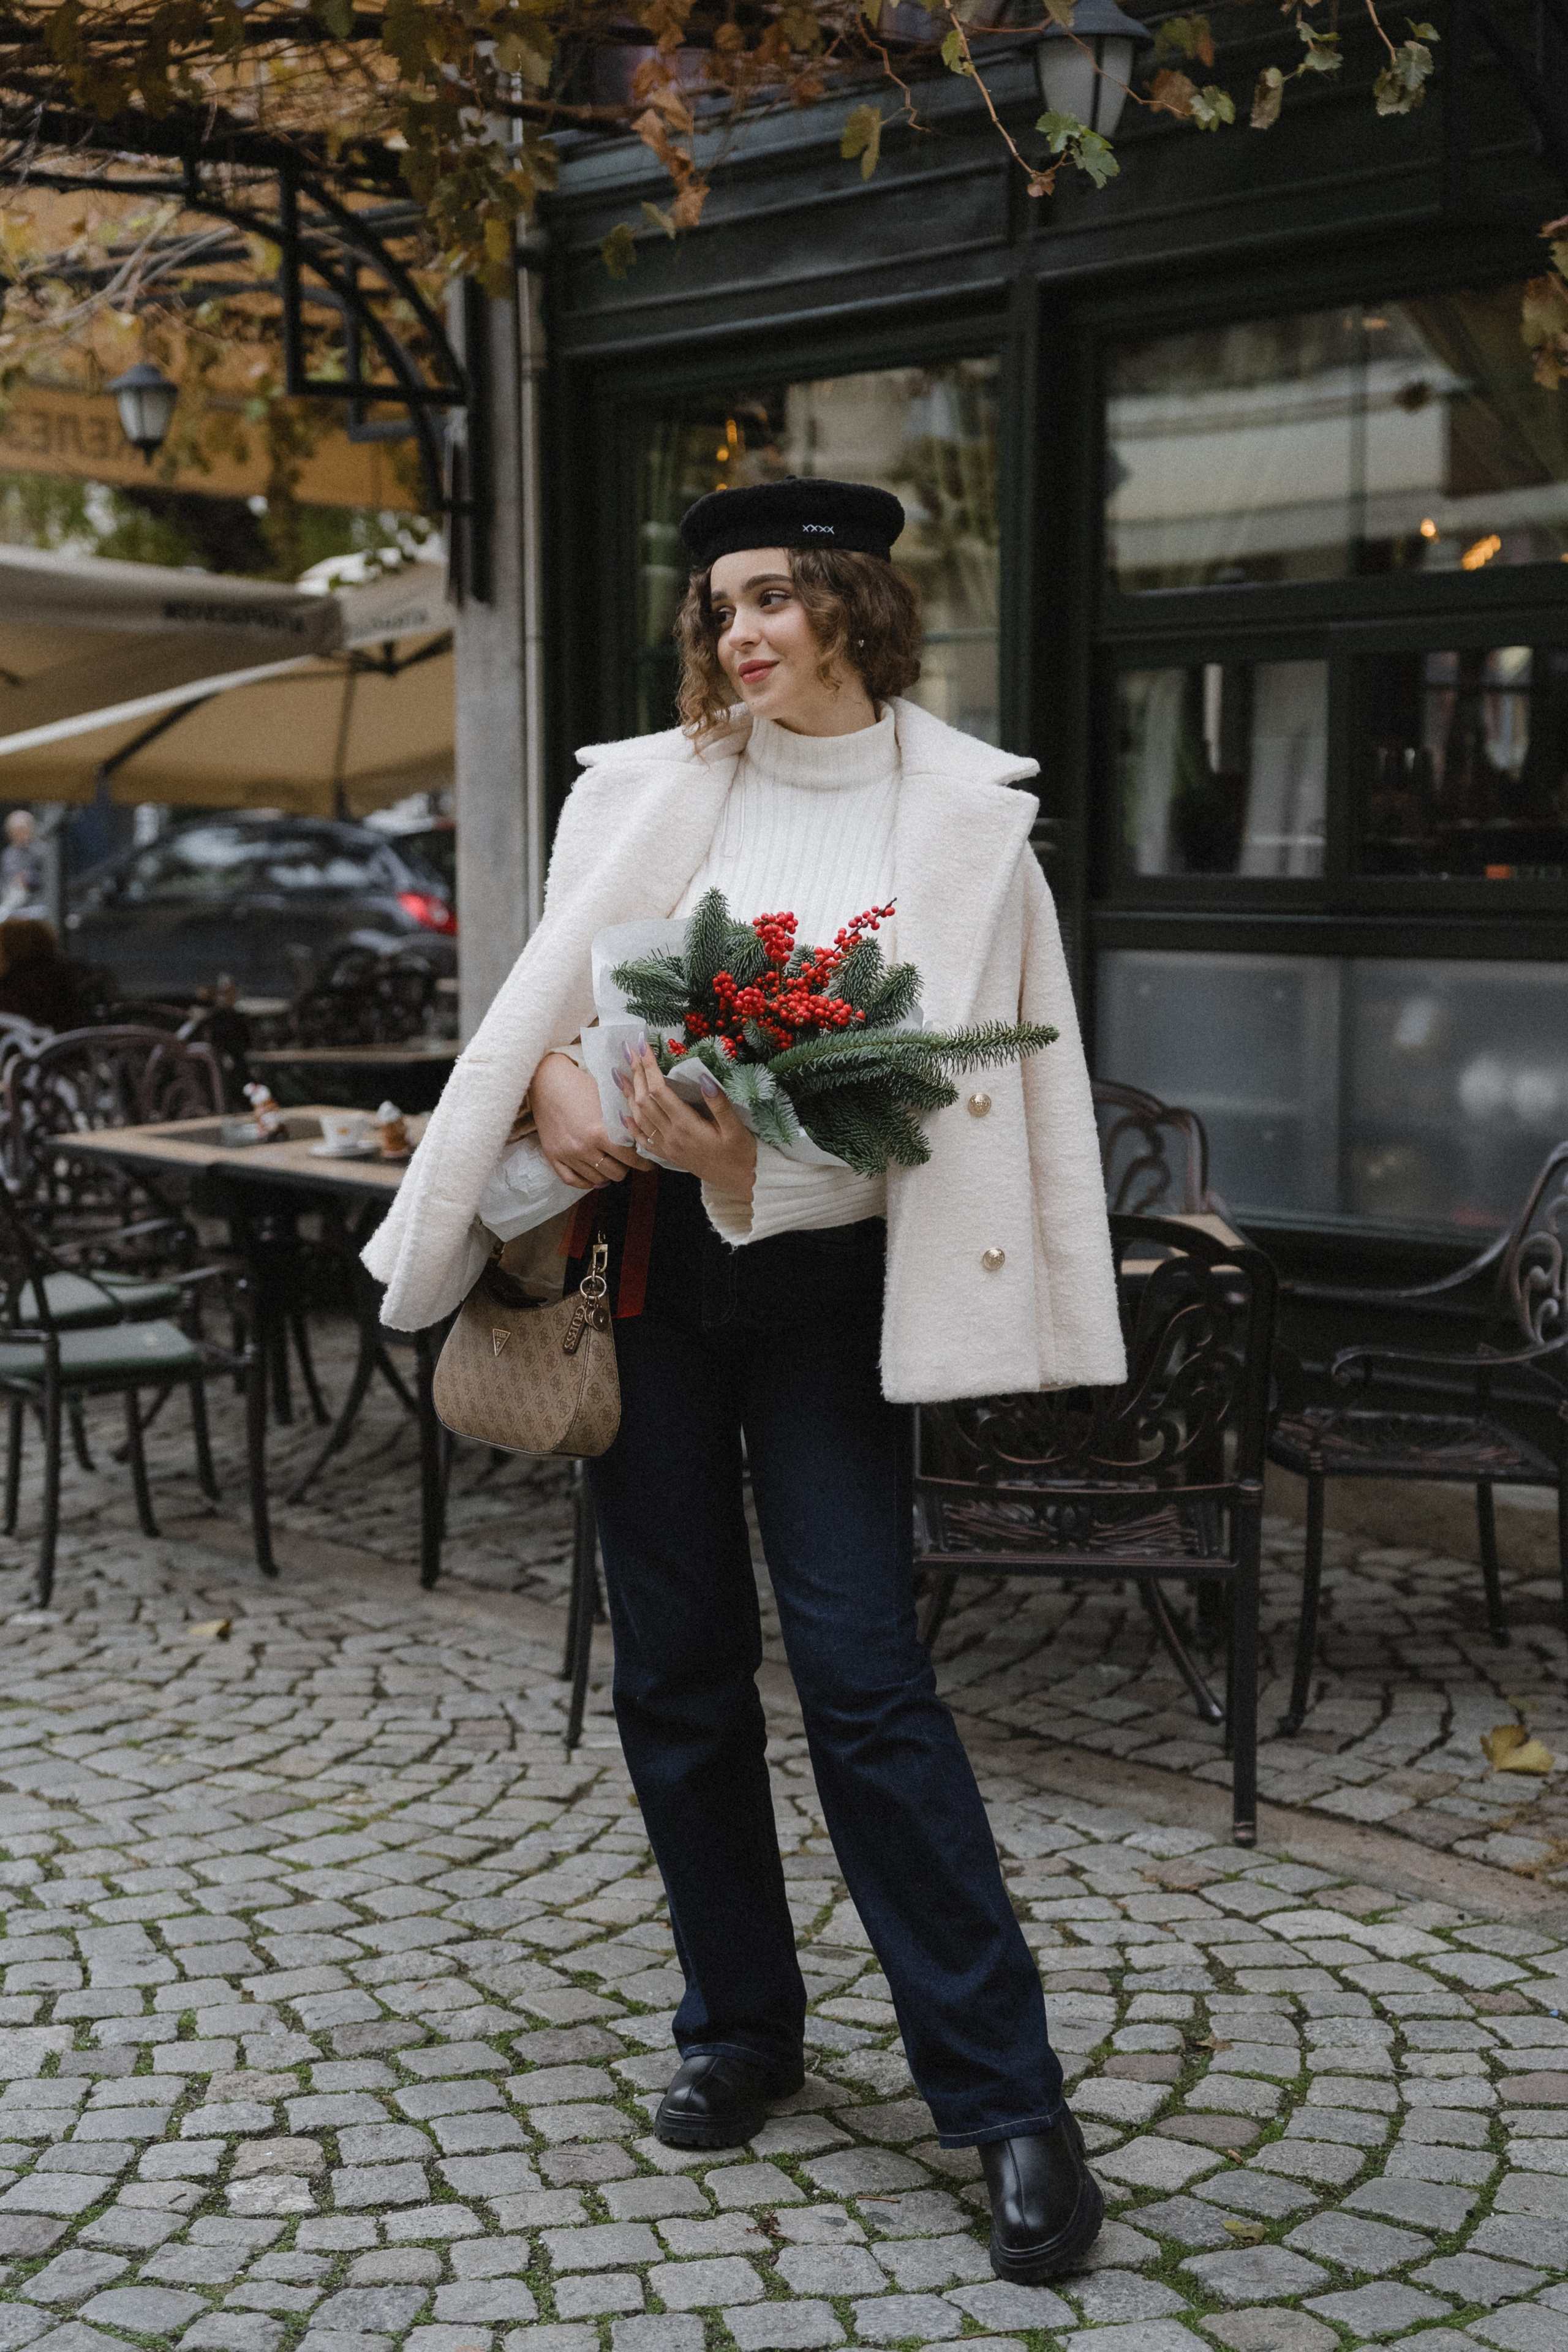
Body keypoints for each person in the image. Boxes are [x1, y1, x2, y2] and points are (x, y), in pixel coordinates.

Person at [363, 478, 1126, 2283]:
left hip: (827, 1290)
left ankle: (1006, 2095)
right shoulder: (636, 788)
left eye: (772, 597)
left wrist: (743, 1165)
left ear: (859, 603)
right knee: (681, 1668)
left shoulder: (963, 825)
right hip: (638, 1275)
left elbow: (946, 1100)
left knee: (862, 1670)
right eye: (716, 606)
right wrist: (558, 1082)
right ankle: (738, 2019)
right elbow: (556, 992)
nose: (738, 634)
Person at [0, 810, 45, 921]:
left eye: (22, 830)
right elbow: (5, 882)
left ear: (31, 829)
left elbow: (52, 880)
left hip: (39, 903)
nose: (19, 835)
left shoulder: (43, 851)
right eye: (14, 832)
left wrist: (30, 878)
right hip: (13, 904)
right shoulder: (8, 855)